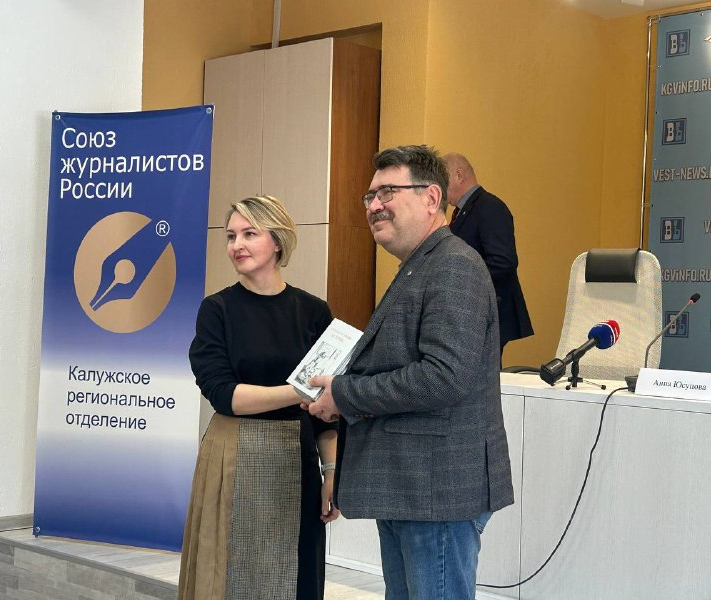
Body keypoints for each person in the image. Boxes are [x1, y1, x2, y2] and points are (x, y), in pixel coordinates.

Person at [307, 146, 514, 600]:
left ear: (431, 197)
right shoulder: (421, 266)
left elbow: (443, 376)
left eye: (388, 192)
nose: (374, 206)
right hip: (412, 486)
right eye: (370, 196)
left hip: (435, 489)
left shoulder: (454, 266)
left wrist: (345, 394)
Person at [179, 195, 339, 600]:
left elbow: (327, 412)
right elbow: (224, 395)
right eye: (231, 236)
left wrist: (332, 472)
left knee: (295, 576)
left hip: (298, 459)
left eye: (250, 234)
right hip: (233, 454)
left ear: (278, 241)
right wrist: (301, 389)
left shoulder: (314, 311)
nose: (237, 245)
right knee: (229, 577)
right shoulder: (217, 309)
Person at [442, 152, 533, 355]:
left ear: (459, 175)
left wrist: (460, 279)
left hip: (489, 312)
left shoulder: (490, 207)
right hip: (474, 312)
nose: (440, 188)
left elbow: (503, 261)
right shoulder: (465, 210)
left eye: (442, 180)